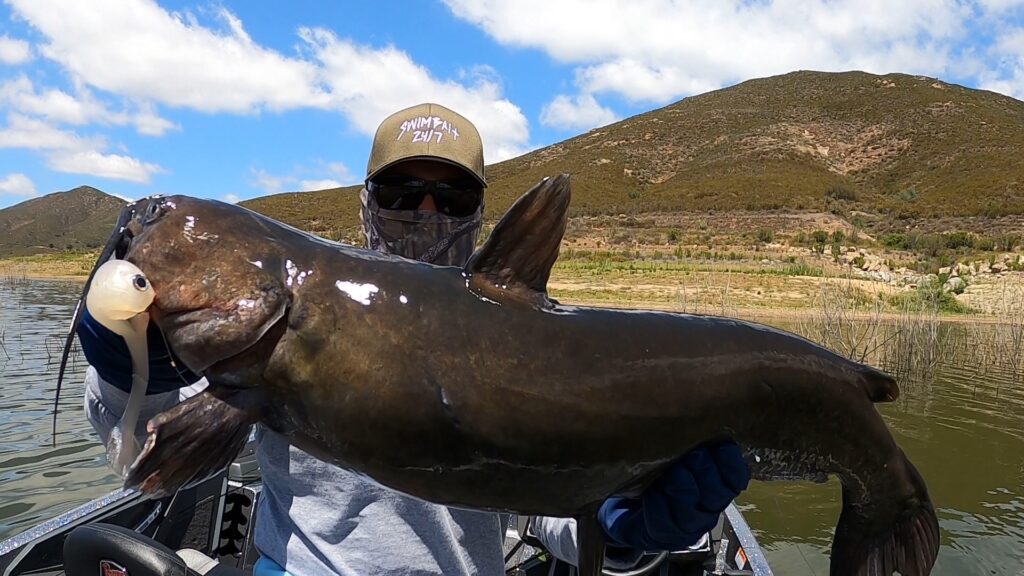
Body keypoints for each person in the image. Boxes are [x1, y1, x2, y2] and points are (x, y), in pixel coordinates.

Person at [77, 102, 750, 576]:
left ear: (479, 214)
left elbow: (547, 509)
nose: (425, 213)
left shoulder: (524, 342)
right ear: (368, 203)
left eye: (451, 198)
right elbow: (141, 454)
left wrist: (627, 527)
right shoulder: (280, 315)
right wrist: (128, 363)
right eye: (403, 192)